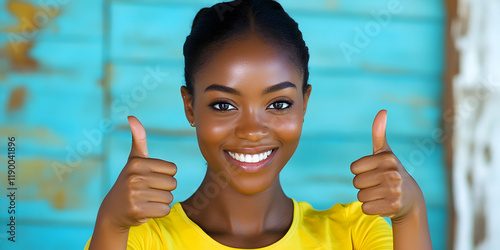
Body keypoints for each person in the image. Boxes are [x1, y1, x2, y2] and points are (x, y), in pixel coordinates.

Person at [85, 0, 432, 249]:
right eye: (223, 105)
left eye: (278, 104)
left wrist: (411, 215)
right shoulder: (140, 239)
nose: (252, 130)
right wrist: (110, 224)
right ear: (190, 107)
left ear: (304, 103)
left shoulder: (356, 234)